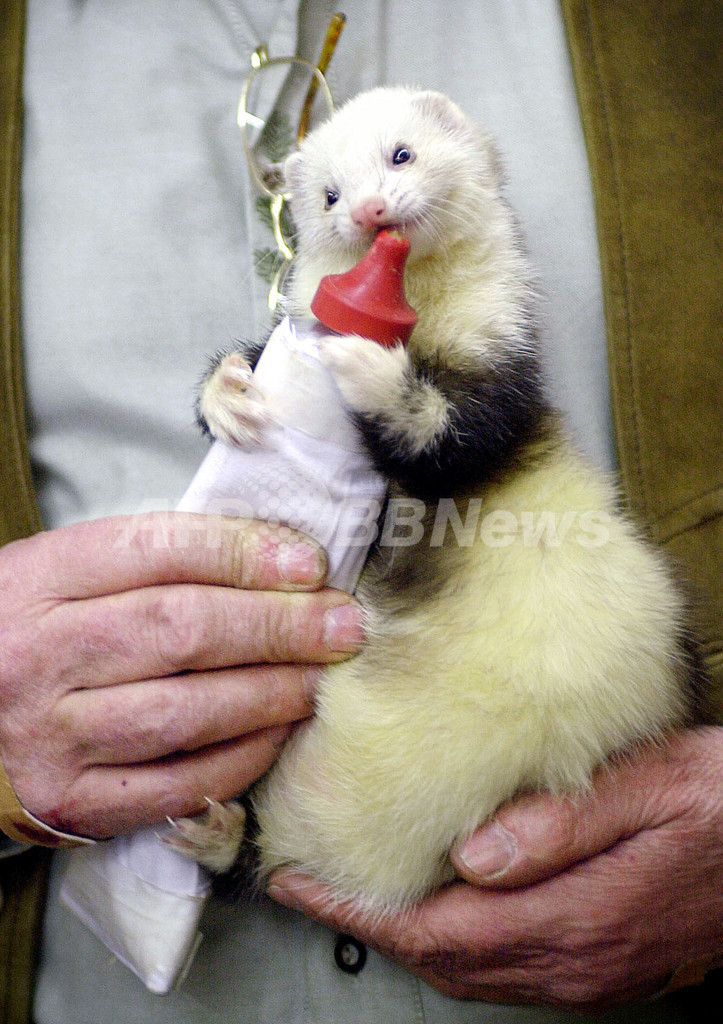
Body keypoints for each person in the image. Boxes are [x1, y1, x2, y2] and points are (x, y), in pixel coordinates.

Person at [0, 1, 720, 1022]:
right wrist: (231, 386)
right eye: (335, 195)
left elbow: (470, 433)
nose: (369, 207)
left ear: (456, 137)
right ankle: (252, 850)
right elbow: (290, 401)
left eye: (397, 159)